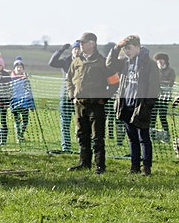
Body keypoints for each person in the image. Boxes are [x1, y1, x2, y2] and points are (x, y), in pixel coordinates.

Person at [106, 35, 160, 176]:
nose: (126, 51)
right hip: (126, 105)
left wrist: (146, 106)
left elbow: (153, 88)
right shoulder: (124, 62)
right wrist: (116, 48)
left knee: (144, 138)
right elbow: (109, 64)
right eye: (124, 49)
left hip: (140, 106)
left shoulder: (149, 64)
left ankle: (146, 168)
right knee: (132, 138)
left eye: (128, 48)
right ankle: (134, 167)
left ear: (137, 47)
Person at [66, 32, 116, 174]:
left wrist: (104, 98)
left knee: (97, 137)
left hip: (96, 105)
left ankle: (100, 166)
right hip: (80, 104)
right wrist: (72, 96)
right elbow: (69, 80)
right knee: (82, 134)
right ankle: (84, 163)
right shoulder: (76, 61)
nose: (81, 45)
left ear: (93, 44)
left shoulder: (103, 62)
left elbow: (114, 82)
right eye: (80, 42)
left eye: (84, 42)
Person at [49, 40, 81, 152]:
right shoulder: (66, 61)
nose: (77, 51)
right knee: (65, 123)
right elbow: (52, 63)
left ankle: (83, 146)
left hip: (79, 96)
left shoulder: (84, 62)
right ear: (72, 50)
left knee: (81, 123)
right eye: (75, 49)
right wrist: (61, 50)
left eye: (79, 49)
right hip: (65, 96)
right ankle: (66, 147)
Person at [10, 56, 35, 143]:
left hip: (24, 103)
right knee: (17, 121)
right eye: (17, 67)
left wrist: (32, 105)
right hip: (15, 103)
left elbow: (29, 92)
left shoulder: (26, 80)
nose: (19, 69)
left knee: (25, 121)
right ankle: (18, 136)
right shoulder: (10, 79)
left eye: (20, 67)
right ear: (14, 68)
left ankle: (21, 134)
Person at [151, 52, 175, 136]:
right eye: (158, 60)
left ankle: (166, 134)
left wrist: (159, 82)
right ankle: (152, 134)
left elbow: (171, 82)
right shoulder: (154, 70)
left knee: (162, 116)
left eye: (161, 59)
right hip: (155, 96)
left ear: (165, 61)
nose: (160, 61)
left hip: (165, 97)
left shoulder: (170, 71)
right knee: (153, 116)